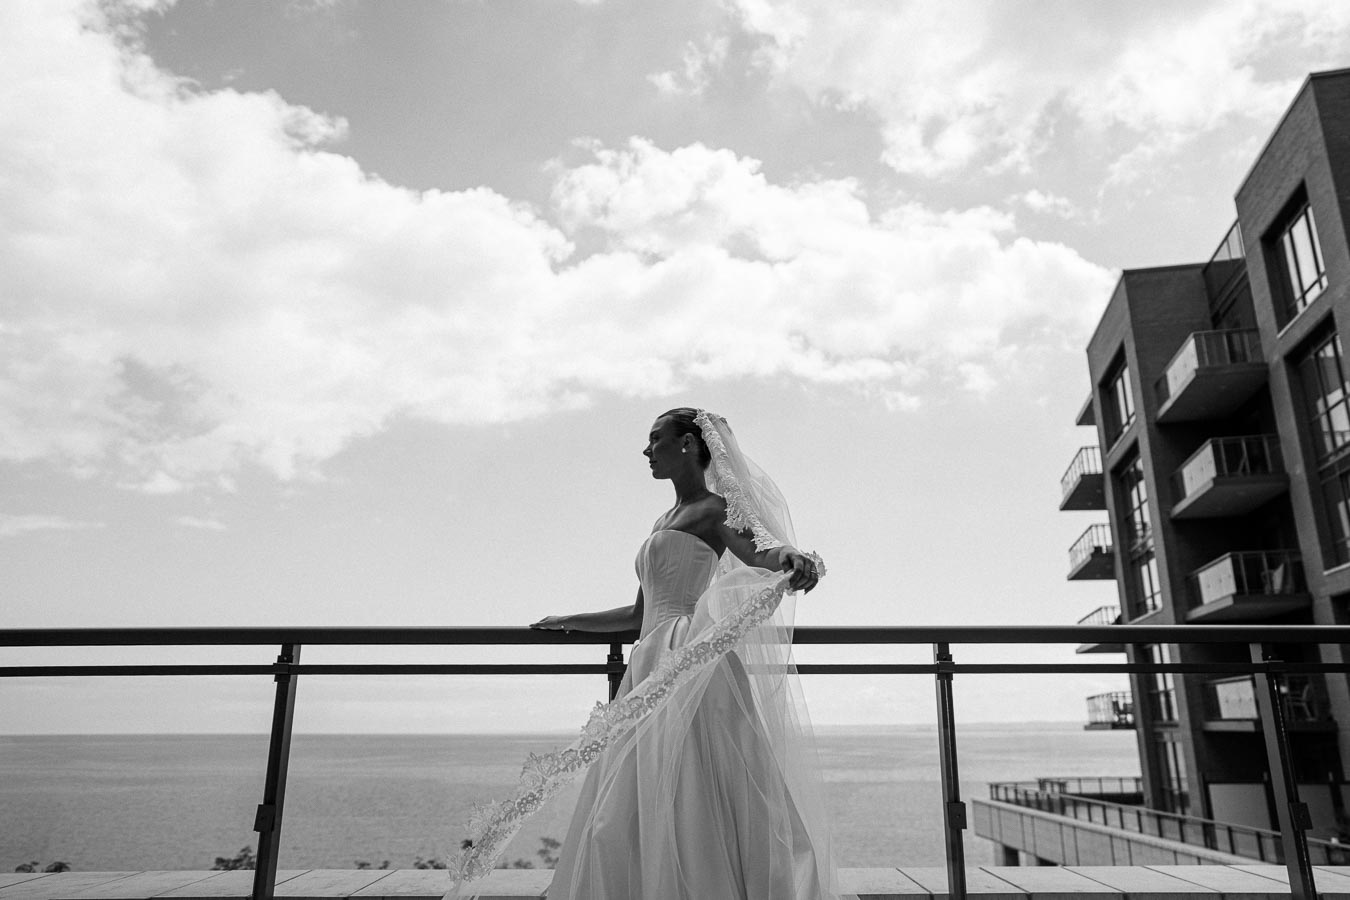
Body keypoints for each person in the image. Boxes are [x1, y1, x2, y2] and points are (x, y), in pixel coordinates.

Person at [452, 408, 839, 900]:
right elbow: (640, 613)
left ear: (689, 445)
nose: (646, 449)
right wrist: (570, 620)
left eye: (656, 438)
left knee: (696, 793)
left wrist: (789, 556)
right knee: (627, 804)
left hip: (690, 661)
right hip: (648, 660)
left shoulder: (716, 509)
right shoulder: (663, 519)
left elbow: (761, 552)